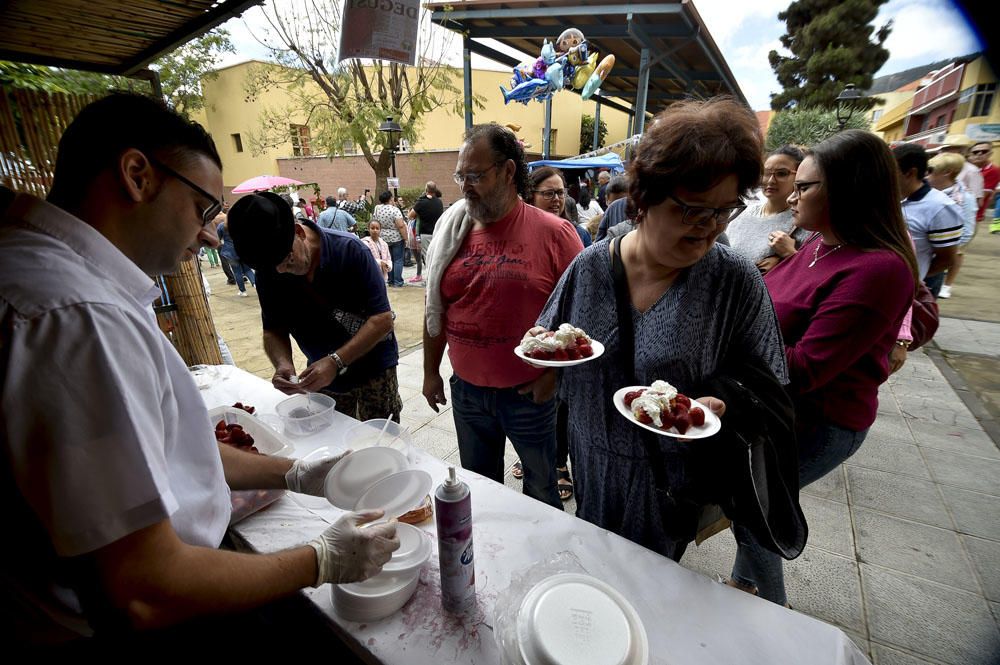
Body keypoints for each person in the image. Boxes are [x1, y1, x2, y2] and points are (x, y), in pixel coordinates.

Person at [0, 93, 399, 648]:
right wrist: (320, 560)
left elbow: (164, 448)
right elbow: (145, 589)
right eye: (202, 210)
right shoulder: (78, 318)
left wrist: (292, 472)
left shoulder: (56, 285)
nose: (210, 236)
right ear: (137, 175)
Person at [531, 98, 787, 563]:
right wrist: (538, 368)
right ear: (645, 198)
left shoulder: (733, 281)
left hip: (669, 484)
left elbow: (771, 385)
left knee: (649, 589)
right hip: (593, 467)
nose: (710, 227)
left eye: (724, 210)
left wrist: (724, 402)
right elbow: (546, 356)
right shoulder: (589, 268)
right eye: (693, 210)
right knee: (593, 568)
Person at [729, 129, 918, 606]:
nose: (792, 194)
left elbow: (804, 367)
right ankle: (742, 583)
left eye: (804, 185)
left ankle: (773, 614)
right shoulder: (815, 245)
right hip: (774, 410)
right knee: (754, 500)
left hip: (819, 421)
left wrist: (725, 348)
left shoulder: (878, 269)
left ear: (847, 189)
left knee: (756, 514)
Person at [422, 123, 583, 509]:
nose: (465, 187)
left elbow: (584, 318)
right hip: (468, 394)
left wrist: (553, 377)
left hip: (530, 397)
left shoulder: (556, 233)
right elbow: (435, 306)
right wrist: (430, 372)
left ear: (509, 171)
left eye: (475, 175)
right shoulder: (452, 230)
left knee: (542, 494)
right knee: (480, 491)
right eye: (461, 176)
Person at [228, 192, 404, 423]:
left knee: (383, 432)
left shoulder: (350, 251)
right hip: (323, 374)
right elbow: (273, 329)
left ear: (299, 233)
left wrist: (336, 361)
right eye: (274, 268)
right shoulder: (269, 271)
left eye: (287, 260)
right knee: (334, 434)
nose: (281, 271)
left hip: (374, 365)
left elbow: (382, 319)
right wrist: (283, 364)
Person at [892, 143, 963, 297]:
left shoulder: (940, 207)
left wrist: (914, 277)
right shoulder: (889, 197)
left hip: (909, 290)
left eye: (891, 171)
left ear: (910, 173)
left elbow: (946, 258)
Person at [727, 145, 809, 274]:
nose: (771, 180)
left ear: (799, 177)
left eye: (781, 174)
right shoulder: (741, 212)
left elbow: (808, 277)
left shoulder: (804, 224)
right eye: (766, 173)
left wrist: (791, 254)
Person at [927, 152, 976, 299]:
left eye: (931, 171)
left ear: (947, 173)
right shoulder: (924, 191)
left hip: (936, 260)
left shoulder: (964, 198)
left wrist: (944, 249)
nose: (926, 175)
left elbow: (967, 231)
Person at [529, 166, 591, 248]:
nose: (556, 199)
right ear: (531, 196)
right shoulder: (520, 231)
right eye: (549, 193)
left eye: (560, 193)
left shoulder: (579, 234)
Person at [407, 181, 444, 283]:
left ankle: (430, 280)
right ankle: (437, 278)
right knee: (436, 256)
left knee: (428, 257)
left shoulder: (421, 202)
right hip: (437, 233)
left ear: (426, 190)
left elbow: (410, 216)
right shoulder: (439, 202)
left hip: (425, 234)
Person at [370, 191, 408, 287]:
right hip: (396, 237)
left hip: (382, 238)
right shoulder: (394, 210)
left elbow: (374, 221)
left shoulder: (377, 209)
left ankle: (390, 280)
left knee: (387, 259)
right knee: (398, 260)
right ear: (390, 198)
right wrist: (406, 238)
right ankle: (398, 281)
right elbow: (401, 226)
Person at [216, 216, 256, 297]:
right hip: (242, 250)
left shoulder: (221, 226)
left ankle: (243, 291)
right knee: (248, 270)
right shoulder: (241, 224)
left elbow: (218, 239)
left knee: (237, 272)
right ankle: (255, 284)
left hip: (230, 252)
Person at [968, 141, 997, 223]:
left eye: (984, 151)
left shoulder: (993, 170)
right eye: (975, 152)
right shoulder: (967, 167)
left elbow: (978, 198)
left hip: (972, 216)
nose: (979, 154)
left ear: (990, 153)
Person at [595, 175, 630, 241]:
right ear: (606, 199)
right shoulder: (595, 224)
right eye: (613, 205)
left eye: (624, 204)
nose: (618, 208)